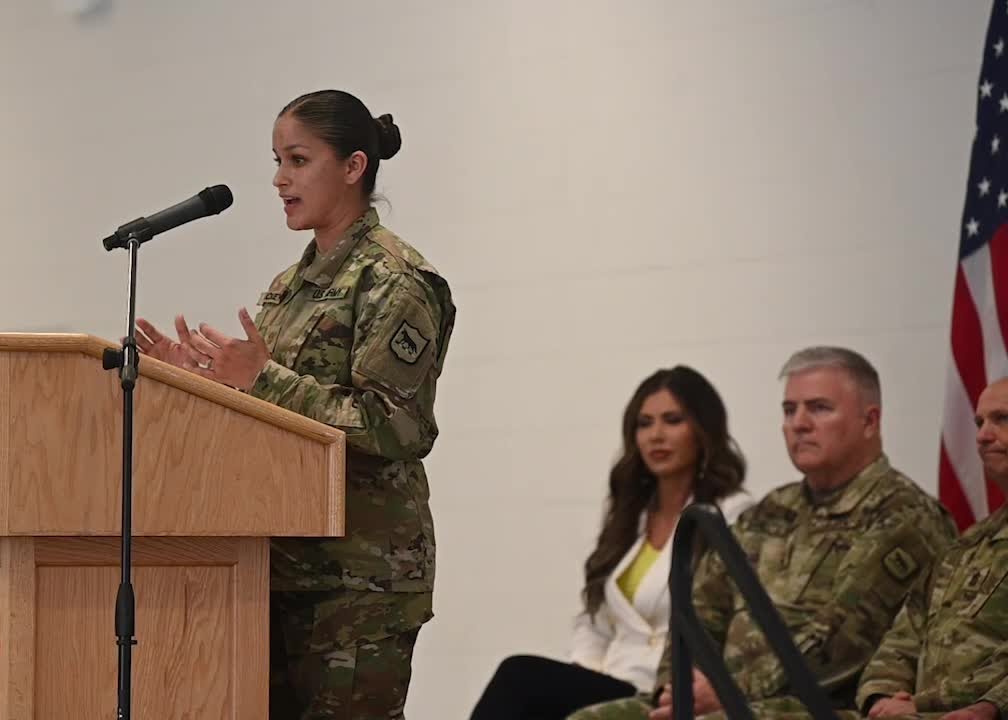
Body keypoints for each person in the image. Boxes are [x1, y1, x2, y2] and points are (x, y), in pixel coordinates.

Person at [133, 89, 456, 720]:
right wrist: (196, 380)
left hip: (361, 580)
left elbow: (395, 427)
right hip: (277, 566)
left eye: (298, 160)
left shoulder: (396, 280)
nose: (279, 179)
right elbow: (268, 418)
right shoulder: (290, 287)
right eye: (277, 160)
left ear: (353, 166)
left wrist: (260, 380)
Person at [568, 346, 957, 720]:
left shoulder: (901, 516)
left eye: (819, 408)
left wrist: (727, 690)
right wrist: (678, 686)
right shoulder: (773, 510)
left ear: (870, 421)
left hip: (812, 705)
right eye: (790, 410)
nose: (799, 423)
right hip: (722, 698)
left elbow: (841, 643)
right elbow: (699, 610)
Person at [469, 366, 753, 720]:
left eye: (673, 420)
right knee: (530, 689)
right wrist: (583, 675)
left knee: (519, 676)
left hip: (671, 691)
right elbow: (593, 622)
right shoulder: (629, 517)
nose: (656, 435)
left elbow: (736, 622)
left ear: (703, 430)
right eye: (644, 423)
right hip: (613, 681)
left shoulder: (730, 514)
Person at [853, 377, 1008, 720]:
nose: (983, 435)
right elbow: (902, 638)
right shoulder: (969, 545)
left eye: (1002, 419)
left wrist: (987, 708)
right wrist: (881, 700)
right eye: (979, 422)